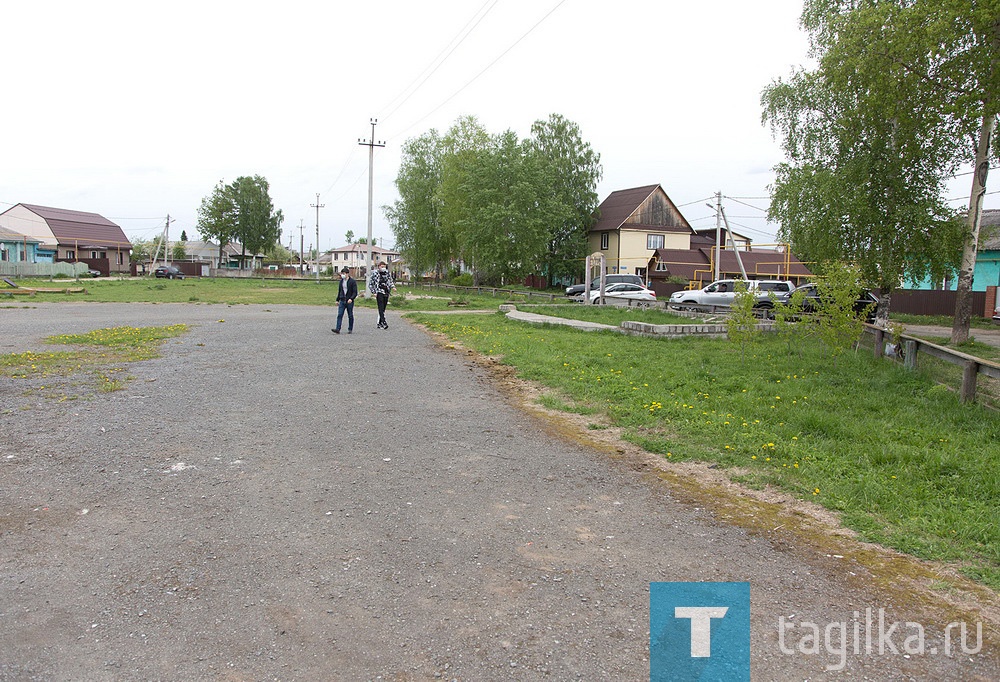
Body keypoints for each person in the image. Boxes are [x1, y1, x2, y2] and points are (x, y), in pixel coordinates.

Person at [367, 261, 396, 330]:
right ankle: (384, 322)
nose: (383, 268)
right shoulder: (375, 273)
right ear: (379, 267)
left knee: (383, 308)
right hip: (379, 291)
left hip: (386, 292)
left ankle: (379, 323)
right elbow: (370, 284)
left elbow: (390, 281)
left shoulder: (387, 273)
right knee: (380, 307)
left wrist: (393, 287)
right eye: (382, 267)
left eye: (384, 267)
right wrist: (374, 292)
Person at [332, 267, 357, 334]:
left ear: (347, 274)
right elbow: (340, 291)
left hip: (349, 301)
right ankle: (338, 328)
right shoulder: (341, 282)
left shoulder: (352, 282)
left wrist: (351, 299)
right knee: (340, 314)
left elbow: (355, 292)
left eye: (344, 273)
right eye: (342, 273)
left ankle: (350, 328)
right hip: (342, 300)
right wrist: (337, 300)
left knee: (350, 315)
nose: (342, 275)